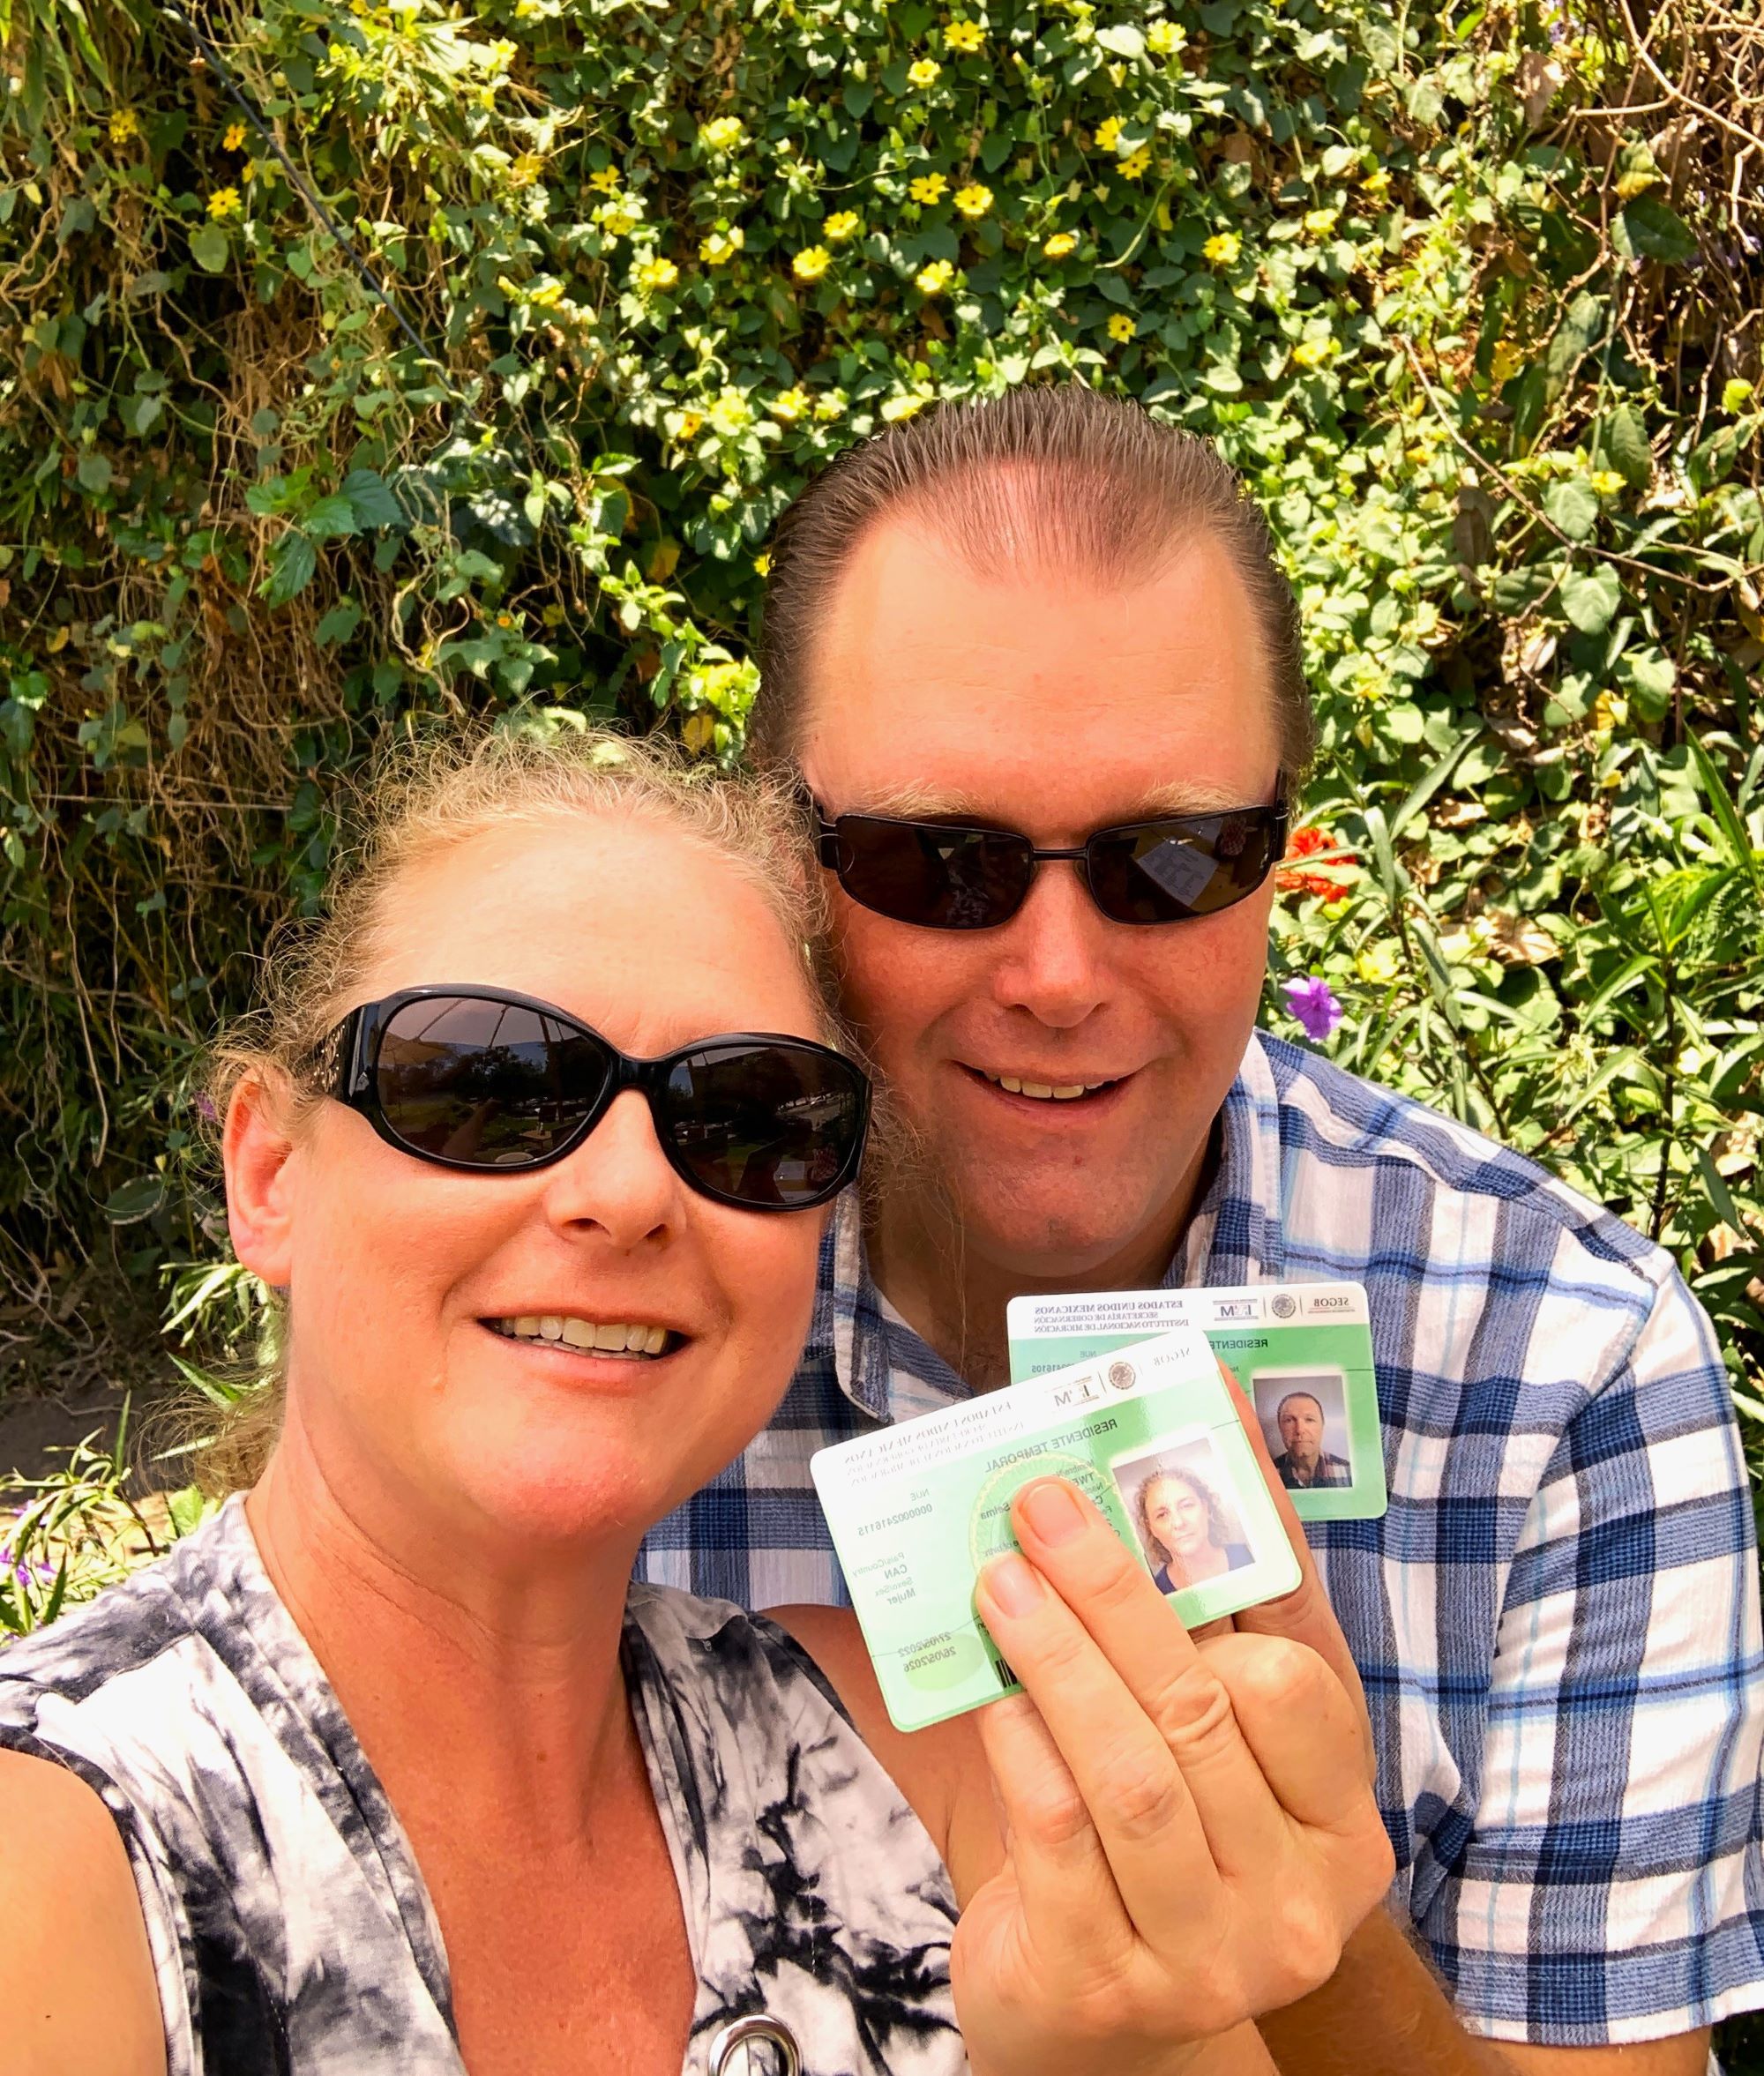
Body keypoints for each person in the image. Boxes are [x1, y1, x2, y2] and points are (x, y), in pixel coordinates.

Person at [639, 385, 1764, 2072]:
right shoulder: (607, 1289)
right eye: (939, 859)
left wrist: (1309, 1945)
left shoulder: (1558, 1359)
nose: (1060, 973)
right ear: (788, 853)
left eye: (1168, 857)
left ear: (1280, 853)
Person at [0, 732, 1392, 2076]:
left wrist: (1098, 2056)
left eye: (747, 1117)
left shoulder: (924, 1760)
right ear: (269, 1175)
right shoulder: (58, 1853)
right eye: (490, 1084)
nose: (625, 1190)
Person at [1134, 1464, 1252, 1593]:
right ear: (1151, 1528)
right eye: (1162, 1515)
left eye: (1186, 1505)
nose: (1178, 1523)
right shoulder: (1157, 1594)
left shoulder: (1251, 1556)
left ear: (1206, 1508)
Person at [1269, 1393, 1350, 1491]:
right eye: (1289, 1420)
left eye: (1309, 1419)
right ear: (1280, 1427)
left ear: (1322, 1426)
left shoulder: (1349, 1472)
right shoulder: (1263, 1475)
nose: (1299, 1430)